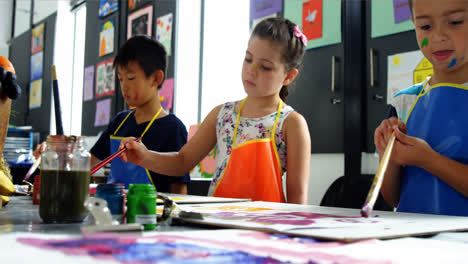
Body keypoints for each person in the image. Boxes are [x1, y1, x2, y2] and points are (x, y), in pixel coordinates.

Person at [120, 18, 311, 204]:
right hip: (219, 224)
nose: (251, 71)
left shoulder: (291, 123)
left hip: (268, 228)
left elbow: (297, 199)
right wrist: (145, 156)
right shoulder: (223, 114)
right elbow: (182, 161)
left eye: (265, 67)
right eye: (248, 59)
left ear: (289, 75)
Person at [374, 0, 468, 216]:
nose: (437, 37)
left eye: (455, 22)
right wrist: (387, 154)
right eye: (425, 26)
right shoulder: (404, 102)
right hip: (414, 242)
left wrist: (429, 160)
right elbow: (394, 197)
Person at [91, 35, 190, 193]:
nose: (124, 87)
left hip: (151, 215)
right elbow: (90, 161)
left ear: (156, 78)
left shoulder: (173, 128)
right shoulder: (119, 122)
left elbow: (179, 191)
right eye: (120, 79)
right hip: (114, 210)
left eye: (130, 78)